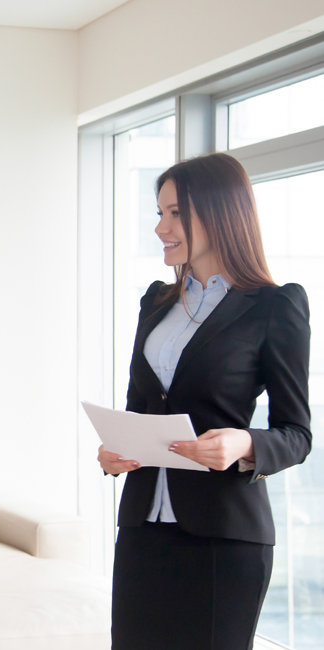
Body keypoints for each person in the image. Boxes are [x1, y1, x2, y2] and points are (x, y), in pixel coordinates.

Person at [98, 152, 312, 650]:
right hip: (143, 530)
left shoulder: (274, 307)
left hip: (225, 538)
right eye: (160, 212)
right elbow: (139, 409)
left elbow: (297, 435)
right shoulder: (156, 302)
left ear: (219, 212)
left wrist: (243, 444)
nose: (161, 227)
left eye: (175, 213)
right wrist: (113, 452)